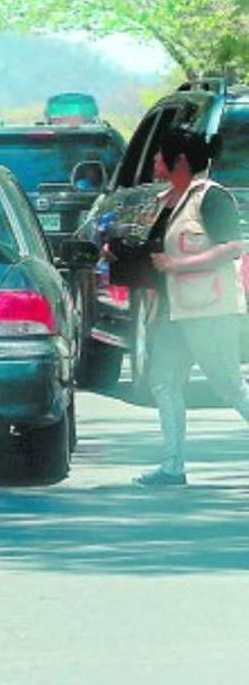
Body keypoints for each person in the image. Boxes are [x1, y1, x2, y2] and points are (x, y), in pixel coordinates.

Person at [127, 127, 249, 487]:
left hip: (209, 310)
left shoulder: (211, 197)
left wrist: (180, 265)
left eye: (160, 153)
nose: (154, 159)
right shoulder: (163, 200)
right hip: (170, 311)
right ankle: (172, 466)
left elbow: (232, 247)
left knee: (229, 385)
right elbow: (154, 250)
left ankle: (172, 464)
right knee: (164, 382)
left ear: (179, 160)